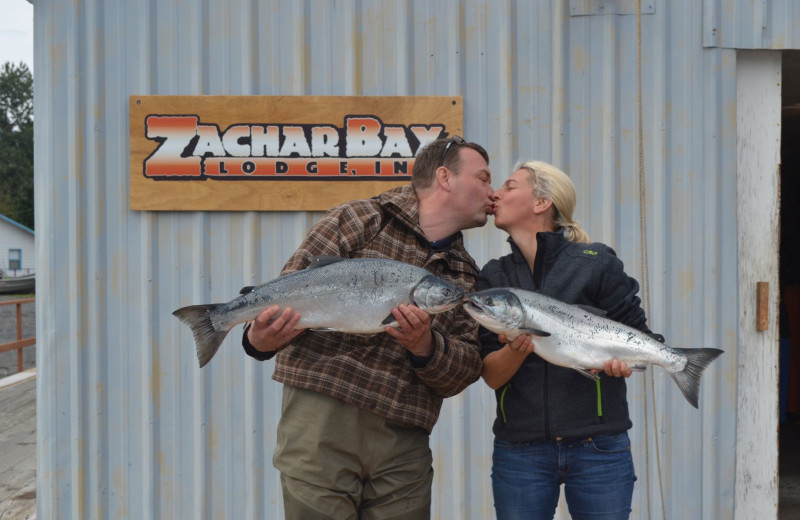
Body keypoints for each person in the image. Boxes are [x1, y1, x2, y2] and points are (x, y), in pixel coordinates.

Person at [242, 136, 495, 520]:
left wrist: (425, 345)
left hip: (403, 438)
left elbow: (463, 372)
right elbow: (291, 292)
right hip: (321, 420)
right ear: (445, 177)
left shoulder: (465, 274)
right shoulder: (361, 218)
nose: (493, 193)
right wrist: (257, 340)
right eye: (484, 178)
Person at [479, 159, 657, 520]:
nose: (495, 193)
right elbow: (492, 375)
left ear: (542, 202)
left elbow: (642, 338)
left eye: (510, 186)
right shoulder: (494, 278)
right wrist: (517, 346)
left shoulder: (596, 262)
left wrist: (626, 365)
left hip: (600, 446)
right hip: (520, 449)